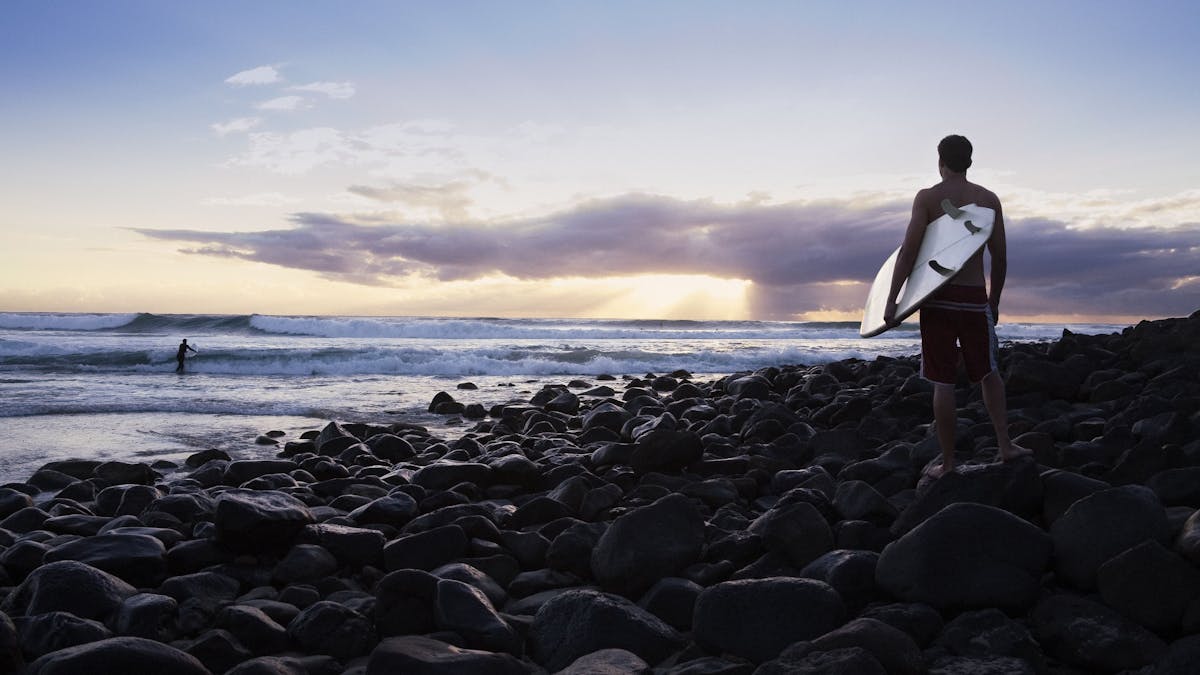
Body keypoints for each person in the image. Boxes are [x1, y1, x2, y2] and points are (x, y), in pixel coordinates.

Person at [883, 135, 1030, 477]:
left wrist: (891, 300)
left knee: (943, 381)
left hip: (937, 301)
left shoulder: (929, 198)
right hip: (973, 297)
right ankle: (1005, 446)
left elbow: (908, 252)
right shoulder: (989, 200)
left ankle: (948, 464)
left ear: (941, 162)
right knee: (988, 374)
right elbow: (1001, 257)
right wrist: (994, 301)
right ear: (970, 162)